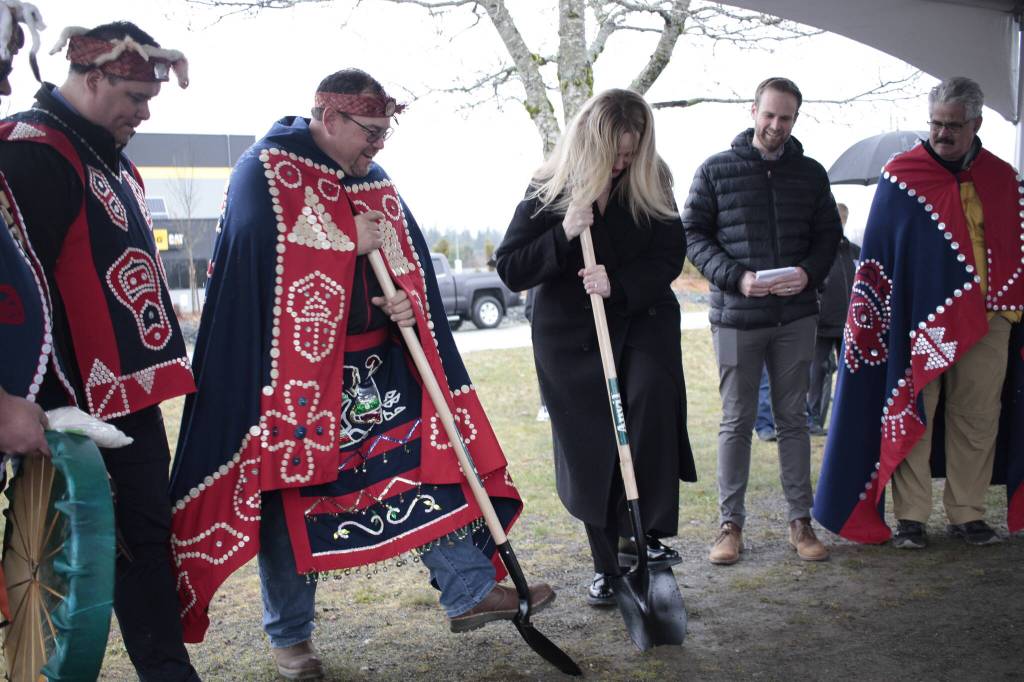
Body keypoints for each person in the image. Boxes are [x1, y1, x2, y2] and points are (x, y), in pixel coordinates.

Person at [168, 68, 551, 681]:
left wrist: (401, 299)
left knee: (430, 464)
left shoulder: (374, 179)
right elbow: (256, 260)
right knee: (290, 504)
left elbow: (406, 263)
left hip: (378, 366)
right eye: (369, 131)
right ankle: (291, 640)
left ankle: (468, 591)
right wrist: (346, 237)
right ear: (327, 115)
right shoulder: (265, 172)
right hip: (295, 384)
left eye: (385, 132)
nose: (377, 145)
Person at [0, 21, 200, 680]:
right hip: (70, 406)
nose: (144, 114)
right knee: (113, 553)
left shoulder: (99, 153)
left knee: (145, 542)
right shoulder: (33, 155)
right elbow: (19, 295)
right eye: (135, 98)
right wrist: (33, 404)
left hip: (121, 398)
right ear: (93, 78)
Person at [495, 88, 696, 606]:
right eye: (616, 154)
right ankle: (607, 565)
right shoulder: (550, 185)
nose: (624, 163)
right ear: (592, 143)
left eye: (632, 153)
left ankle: (643, 536)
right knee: (595, 446)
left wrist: (619, 284)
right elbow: (513, 267)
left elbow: (671, 253)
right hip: (573, 338)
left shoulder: (654, 179)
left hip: (641, 317)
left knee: (648, 405)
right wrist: (563, 232)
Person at [813, 76, 1024, 548]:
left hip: (988, 319)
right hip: (918, 323)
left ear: (976, 123)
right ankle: (911, 517)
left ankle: (967, 513)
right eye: (936, 123)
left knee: (978, 416)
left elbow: (1012, 248)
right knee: (914, 410)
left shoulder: (1001, 177)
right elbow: (882, 256)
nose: (942, 134)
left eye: (953, 125)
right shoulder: (903, 177)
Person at [682, 76, 841, 565]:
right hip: (736, 316)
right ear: (753, 111)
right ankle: (730, 526)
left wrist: (807, 273)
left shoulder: (812, 174)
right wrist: (736, 278)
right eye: (769, 114)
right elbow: (693, 234)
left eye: (785, 117)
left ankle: (800, 523)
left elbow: (827, 236)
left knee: (795, 420)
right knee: (737, 420)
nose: (775, 125)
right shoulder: (715, 170)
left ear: (795, 119)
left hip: (795, 317)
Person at [806, 203, 857, 436]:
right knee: (818, 371)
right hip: (823, 322)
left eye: (841, 219)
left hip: (849, 322)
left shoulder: (852, 250)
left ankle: (847, 417)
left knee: (850, 371)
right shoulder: (817, 249)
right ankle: (813, 419)